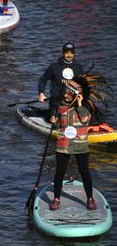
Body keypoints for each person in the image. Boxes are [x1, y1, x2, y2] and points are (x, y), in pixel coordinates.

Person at [49, 77, 96, 211]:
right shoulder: (60, 107)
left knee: (85, 172)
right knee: (59, 173)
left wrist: (80, 104)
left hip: (80, 145)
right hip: (63, 145)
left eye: (69, 93)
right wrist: (53, 120)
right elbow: (57, 123)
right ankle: (56, 198)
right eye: (65, 92)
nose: (65, 95)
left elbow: (85, 120)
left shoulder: (84, 108)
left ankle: (90, 198)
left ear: (76, 95)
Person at [38, 43, 85, 121]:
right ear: (63, 52)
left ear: (74, 53)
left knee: (83, 118)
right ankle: (50, 114)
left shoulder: (79, 68)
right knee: (54, 120)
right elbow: (43, 80)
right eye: (66, 52)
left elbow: (84, 85)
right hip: (56, 101)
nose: (69, 55)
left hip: (73, 101)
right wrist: (41, 93)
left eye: (71, 52)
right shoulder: (54, 67)